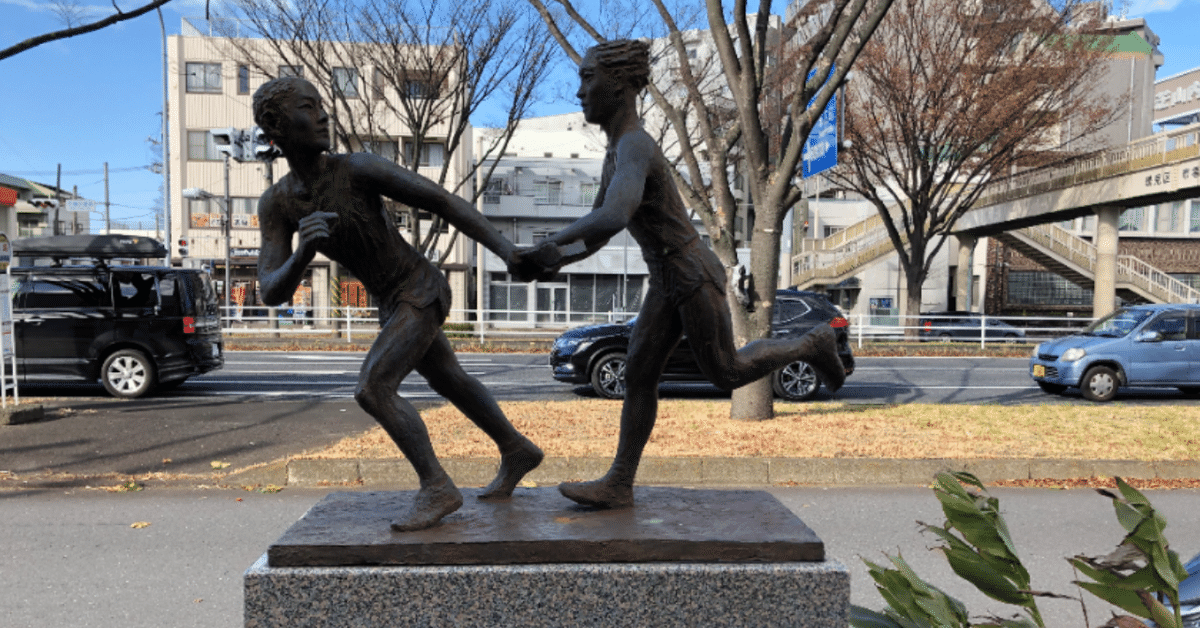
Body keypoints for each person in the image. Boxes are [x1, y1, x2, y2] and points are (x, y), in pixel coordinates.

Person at [512, 39, 847, 510]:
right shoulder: (617, 152)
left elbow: (614, 213)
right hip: (666, 279)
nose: (579, 92)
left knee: (727, 371)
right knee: (638, 375)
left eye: (588, 78)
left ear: (622, 85)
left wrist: (546, 246)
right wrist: (552, 260)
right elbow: (601, 233)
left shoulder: (635, 146)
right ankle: (620, 483)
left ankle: (812, 344)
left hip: (689, 273)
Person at [253, 76, 543, 531]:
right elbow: (270, 290)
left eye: (322, 105)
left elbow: (442, 201)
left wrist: (507, 252)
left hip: (419, 287)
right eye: (308, 108)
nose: (324, 115)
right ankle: (516, 447)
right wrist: (302, 255)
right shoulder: (277, 203)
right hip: (390, 302)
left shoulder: (358, 168)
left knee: (373, 388)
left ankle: (437, 487)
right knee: (452, 380)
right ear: (276, 126)